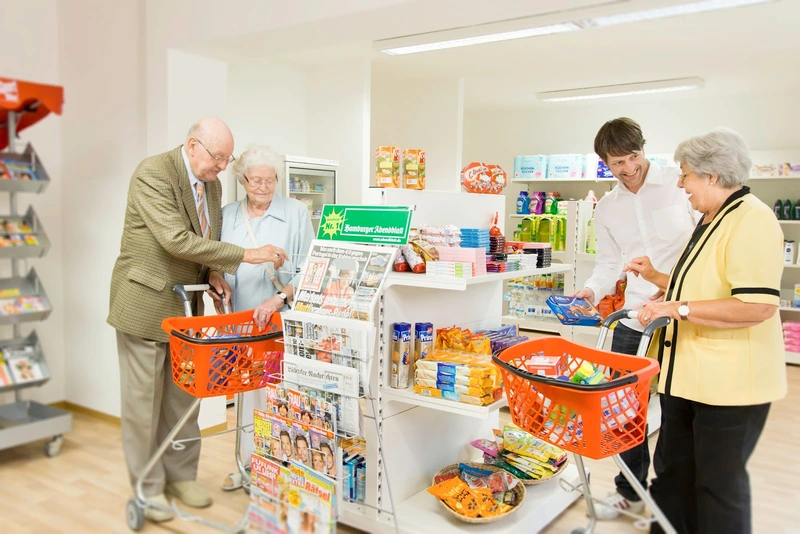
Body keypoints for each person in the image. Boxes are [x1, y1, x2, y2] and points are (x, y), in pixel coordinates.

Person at [108, 117, 289, 524]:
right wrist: (248, 255)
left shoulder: (212, 184)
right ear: (193, 146)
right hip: (144, 303)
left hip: (187, 309)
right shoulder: (153, 174)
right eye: (218, 157)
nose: (223, 167)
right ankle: (148, 487)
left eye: (227, 159)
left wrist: (212, 272)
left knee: (185, 398)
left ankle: (181, 476)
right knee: (143, 406)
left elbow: (202, 245)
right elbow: (175, 239)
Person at [625, 128, 787, 534]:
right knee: (674, 476)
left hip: (730, 387)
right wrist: (659, 278)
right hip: (686, 379)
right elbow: (698, 289)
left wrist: (675, 308)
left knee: (717, 485)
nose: (680, 184)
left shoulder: (753, 219)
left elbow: (757, 305)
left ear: (711, 175)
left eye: (685, 175)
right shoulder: (711, 218)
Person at [572, 117, 698, 520]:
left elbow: (702, 244)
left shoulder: (680, 187)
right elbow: (609, 264)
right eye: (616, 164)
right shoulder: (608, 208)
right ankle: (629, 490)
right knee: (626, 411)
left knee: (680, 410)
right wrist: (591, 290)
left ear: (644, 148)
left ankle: (671, 492)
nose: (628, 169)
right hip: (635, 318)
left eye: (633, 157)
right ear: (603, 164)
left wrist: (676, 287)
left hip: (683, 314)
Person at [217, 144, 314, 490]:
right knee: (247, 400)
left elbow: (309, 269)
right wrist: (216, 282)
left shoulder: (296, 213)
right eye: (255, 180)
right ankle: (248, 465)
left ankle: (283, 468)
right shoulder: (227, 214)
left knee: (278, 398)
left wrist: (279, 298)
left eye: (270, 180)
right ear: (242, 179)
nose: (263, 187)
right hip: (241, 325)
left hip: (280, 324)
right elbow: (216, 261)